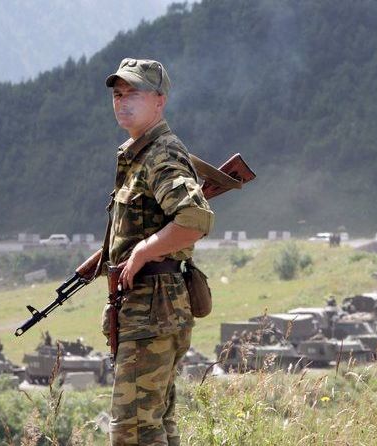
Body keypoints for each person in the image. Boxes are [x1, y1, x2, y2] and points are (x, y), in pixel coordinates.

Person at [103, 58, 214, 445]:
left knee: (132, 430)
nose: (122, 101)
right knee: (153, 424)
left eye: (133, 93)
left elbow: (195, 219)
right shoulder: (139, 153)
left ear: (159, 101)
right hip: (152, 307)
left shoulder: (161, 153)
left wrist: (144, 252)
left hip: (153, 307)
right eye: (118, 94)